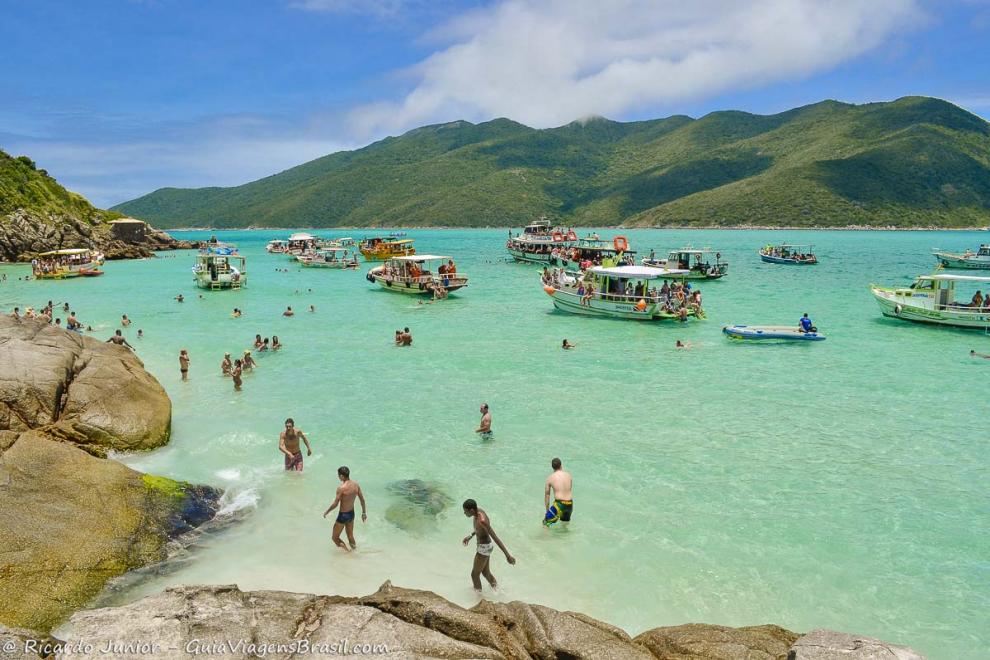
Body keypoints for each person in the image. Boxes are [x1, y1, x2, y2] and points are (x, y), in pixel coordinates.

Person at [461, 499, 515, 592]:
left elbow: (495, 537)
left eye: (465, 511)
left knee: (474, 575)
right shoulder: (477, 512)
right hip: (485, 547)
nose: (464, 513)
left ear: (472, 511)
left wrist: (508, 555)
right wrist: (470, 536)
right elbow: (478, 529)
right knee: (485, 573)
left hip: (484, 548)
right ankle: (497, 590)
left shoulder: (482, 520)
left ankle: (478, 599)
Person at [323, 466, 367, 552]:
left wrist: (327, 511)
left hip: (343, 516)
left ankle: (348, 553)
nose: (338, 477)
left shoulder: (341, 488)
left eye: (338, 475)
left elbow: (336, 503)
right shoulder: (356, 485)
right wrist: (364, 513)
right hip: (351, 514)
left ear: (342, 476)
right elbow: (362, 500)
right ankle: (355, 551)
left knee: (335, 538)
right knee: (350, 536)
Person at [543, 458, 573, 526]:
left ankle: (545, 537)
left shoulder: (550, 478)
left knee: (545, 523)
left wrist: (547, 511)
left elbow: (547, 496)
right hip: (570, 504)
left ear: (552, 467)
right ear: (561, 465)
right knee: (564, 525)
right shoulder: (569, 475)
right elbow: (569, 489)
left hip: (559, 505)